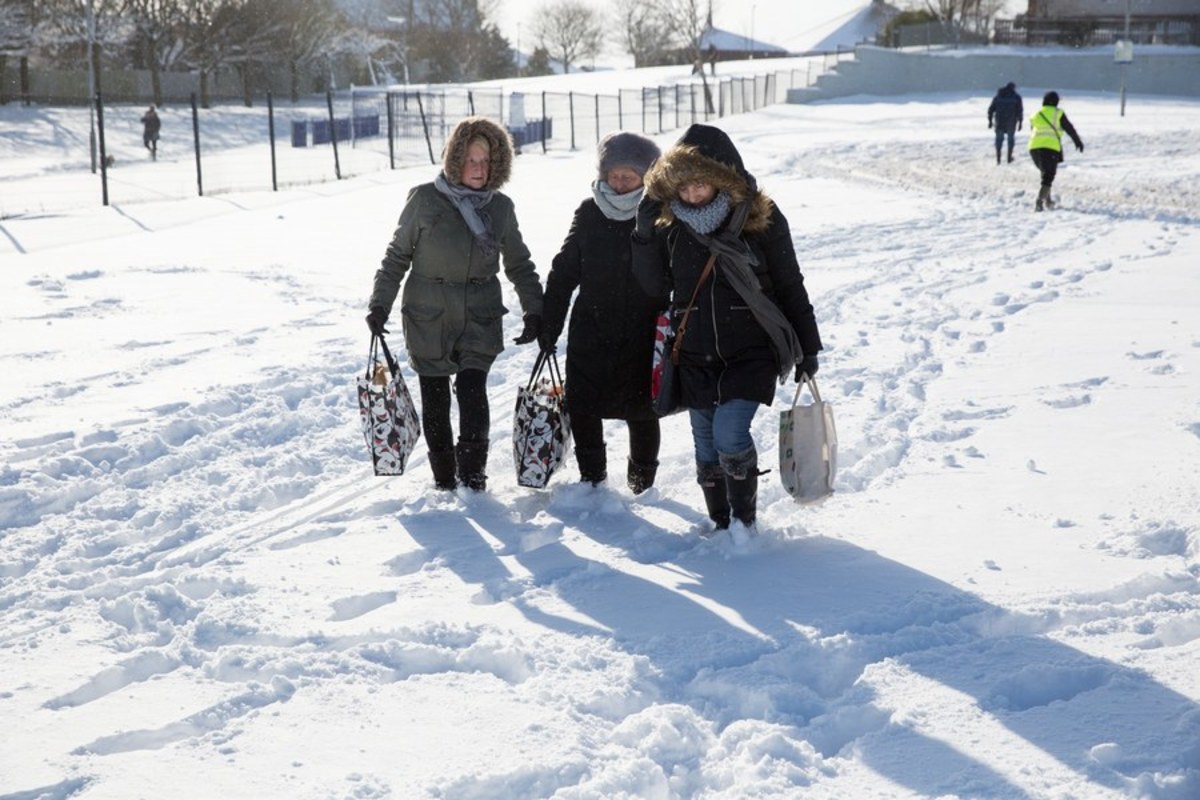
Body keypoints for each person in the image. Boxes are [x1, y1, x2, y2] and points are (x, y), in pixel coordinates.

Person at [632, 123, 822, 531]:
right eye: (683, 186)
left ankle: (744, 524)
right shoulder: (673, 229)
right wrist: (644, 235)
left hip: (751, 351)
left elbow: (790, 283)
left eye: (701, 183)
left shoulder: (759, 220)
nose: (692, 194)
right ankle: (721, 524)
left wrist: (809, 347)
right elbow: (654, 288)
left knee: (729, 433)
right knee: (704, 441)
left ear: (723, 179)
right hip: (694, 351)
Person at [366, 117, 544, 491]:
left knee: (471, 389)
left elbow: (519, 264)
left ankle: (473, 476)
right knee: (434, 396)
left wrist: (535, 310)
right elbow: (397, 256)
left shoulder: (501, 208)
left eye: (486, 162)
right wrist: (379, 304)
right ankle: (445, 479)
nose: (479, 169)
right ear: (455, 160)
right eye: (471, 161)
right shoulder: (424, 199)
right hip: (428, 313)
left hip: (479, 312)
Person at [540, 132, 665, 494]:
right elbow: (564, 270)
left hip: (642, 331)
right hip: (592, 327)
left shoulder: (660, 214)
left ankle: (642, 485)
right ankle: (592, 481)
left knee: (642, 410)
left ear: (647, 176)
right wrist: (550, 322)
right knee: (583, 405)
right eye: (614, 174)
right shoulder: (589, 211)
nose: (621, 181)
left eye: (630, 174)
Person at [1028, 90, 1084, 212]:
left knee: (1045, 173)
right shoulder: (1058, 113)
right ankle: (1040, 200)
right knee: (1049, 175)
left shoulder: (1036, 114)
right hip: (1050, 147)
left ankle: (1047, 201)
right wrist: (1077, 141)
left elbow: (1032, 129)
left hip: (1033, 147)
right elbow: (1069, 128)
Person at [987, 81, 1023, 164]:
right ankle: (1009, 157)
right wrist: (1020, 122)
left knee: (999, 140)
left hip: (999, 122)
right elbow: (1019, 111)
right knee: (1011, 140)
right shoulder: (1016, 97)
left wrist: (990, 121)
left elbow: (991, 110)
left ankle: (998, 158)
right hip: (1011, 122)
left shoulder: (998, 96)